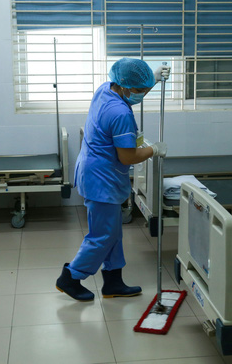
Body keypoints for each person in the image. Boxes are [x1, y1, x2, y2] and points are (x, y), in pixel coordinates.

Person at [56, 57, 170, 301]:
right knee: (102, 235)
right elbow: (128, 156)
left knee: (113, 232)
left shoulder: (106, 89)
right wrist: (155, 149)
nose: (141, 94)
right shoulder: (120, 113)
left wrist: (154, 80)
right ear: (127, 87)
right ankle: (70, 277)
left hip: (97, 171)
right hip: (101, 180)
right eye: (140, 90)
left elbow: (134, 89)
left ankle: (113, 282)